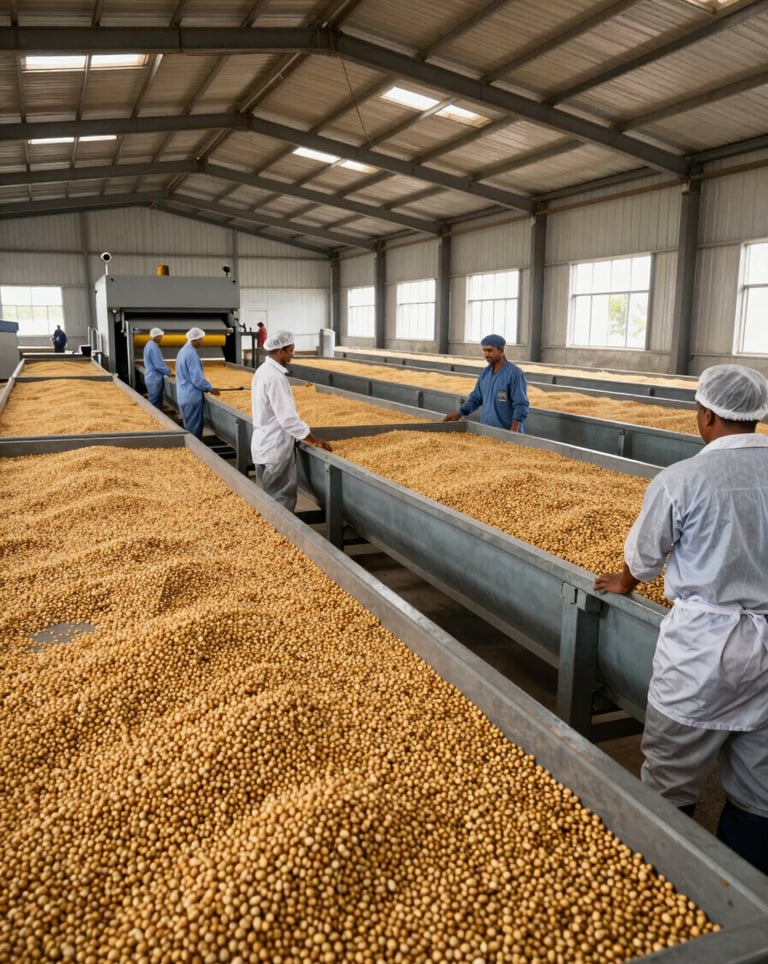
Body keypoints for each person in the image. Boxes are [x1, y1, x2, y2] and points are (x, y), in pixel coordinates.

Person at [593, 364, 768, 874]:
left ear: (707, 413)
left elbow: (644, 559)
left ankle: (666, 883)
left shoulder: (684, 478)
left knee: (670, 777)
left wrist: (623, 582)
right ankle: (745, 900)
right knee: (760, 789)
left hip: (703, 649)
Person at [250, 329, 331, 512]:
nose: (292, 354)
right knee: (280, 501)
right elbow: (287, 418)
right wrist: (311, 439)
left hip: (263, 444)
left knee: (267, 497)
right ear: (281, 351)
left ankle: (271, 532)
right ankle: (282, 536)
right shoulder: (275, 377)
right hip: (275, 448)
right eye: (291, 350)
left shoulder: (263, 370)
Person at [442, 334, 529, 431]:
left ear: (501, 350)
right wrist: (460, 413)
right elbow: (476, 399)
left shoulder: (514, 374)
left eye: (490, 350)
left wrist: (513, 433)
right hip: (487, 431)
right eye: (484, 351)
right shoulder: (485, 373)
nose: (486, 354)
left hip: (506, 431)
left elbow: (521, 405)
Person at [175, 327, 221, 438]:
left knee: (189, 425)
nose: (202, 342)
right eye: (200, 340)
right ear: (194, 340)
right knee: (194, 430)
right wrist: (209, 388)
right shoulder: (191, 354)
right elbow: (197, 379)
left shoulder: (182, 351)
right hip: (192, 397)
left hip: (183, 395)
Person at [142, 327, 171, 410]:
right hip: (154, 378)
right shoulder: (153, 347)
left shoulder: (149, 345)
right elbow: (158, 364)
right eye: (160, 336)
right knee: (155, 402)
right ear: (156, 336)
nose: (162, 338)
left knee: (156, 400)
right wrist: (168, 372)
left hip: (151, 376)